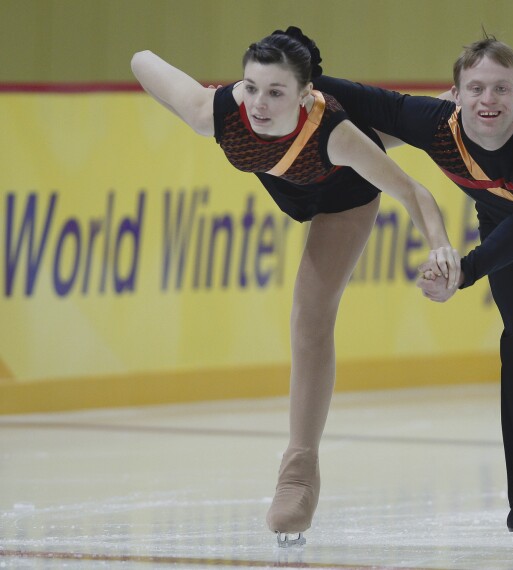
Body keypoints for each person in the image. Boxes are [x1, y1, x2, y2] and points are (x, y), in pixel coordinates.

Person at [131, 26, 460, 547]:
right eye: (252, 87)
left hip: (341, 196)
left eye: (276, 92)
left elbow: (412, 192)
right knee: (359, 133)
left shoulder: (334, 131)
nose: (259, 104)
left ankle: (299, 469)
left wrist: (441, 246)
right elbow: (141, 58)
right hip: (293, 178)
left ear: (305, 94)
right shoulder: (216, 112)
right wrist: (214, 87)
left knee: (310, 317)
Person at [314, 34, 513, 550]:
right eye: (477, 89)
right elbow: (360, 97)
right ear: (456, 94)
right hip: (501, 212)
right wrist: (296, 65)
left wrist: (463, 273)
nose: (488, 100)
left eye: (501, 89)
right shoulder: (435, 126)